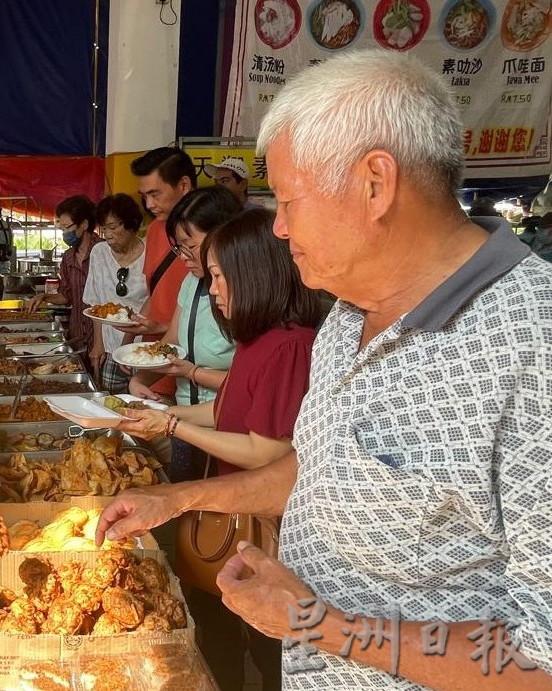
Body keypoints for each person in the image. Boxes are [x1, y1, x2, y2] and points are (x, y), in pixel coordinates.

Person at [97, 50, 552, 689]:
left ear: (375, 183)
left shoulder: (534, 344)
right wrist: (176, 498)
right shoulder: (346, 314)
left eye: (288, 201)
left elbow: (543, 657)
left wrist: (321, 626)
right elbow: (318, 467)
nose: (278, 228)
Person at [116, 208, 321, 691]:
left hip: (262, 526)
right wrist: (151, 419)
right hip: (226, 508)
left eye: (220, 277)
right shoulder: (254, 340)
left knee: (266, 646)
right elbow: (225, 413)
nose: (213, 291)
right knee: (220, 629)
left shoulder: (289, 346)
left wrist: (171, 423)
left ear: (255, 274)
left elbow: (264, 452)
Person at [127, 187, 242, 481]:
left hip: (228, 428)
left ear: (224, 237)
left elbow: (252, 387)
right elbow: (172, 344)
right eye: (178, 248)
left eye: (190, 246)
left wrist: (193, 372)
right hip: (182, 417)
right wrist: (142, 378)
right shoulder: (192, 284)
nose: (183, 258)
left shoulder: (242, 296)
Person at [117, 147, 197, 400]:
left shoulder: (213, 234)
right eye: (144, 196)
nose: (149, 204)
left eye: (155, 194)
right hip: (153, 363)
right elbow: (155, 291)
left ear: (183, 185)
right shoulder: (154, 230)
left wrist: (163, 328)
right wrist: (130, 336)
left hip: (193, 371)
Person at [81, 193, 149, 391]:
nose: (107, 234)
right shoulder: (99, 253)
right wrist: (98, 344)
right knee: (112, 402)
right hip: (111, 348)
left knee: (143, 404)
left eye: (113, 227)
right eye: (103, 228)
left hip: (143, 350)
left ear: (131, 225)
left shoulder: (150, 252)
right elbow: (95, 304)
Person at [25, 195, 102, 355]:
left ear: (84, 224)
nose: (65, 234)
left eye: (68, 228)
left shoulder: (104, 251)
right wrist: (44, 297)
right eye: (62, 229)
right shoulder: (68, 257)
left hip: (104, 338)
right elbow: (66, 296)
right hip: (77, 335)